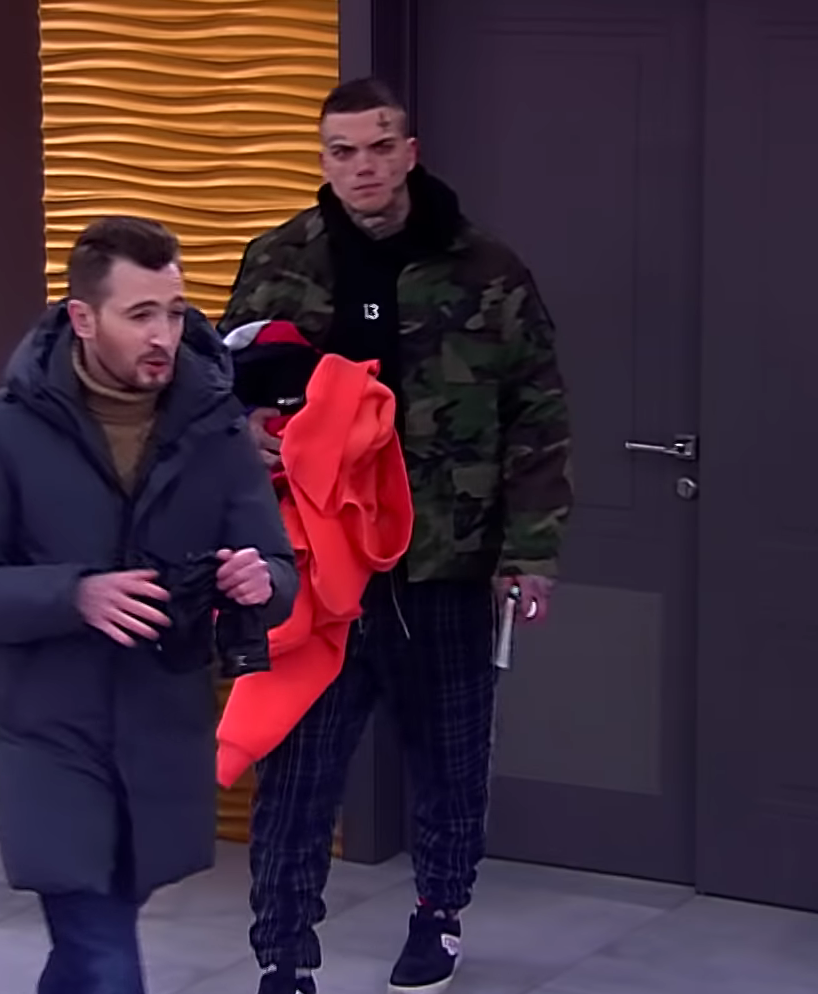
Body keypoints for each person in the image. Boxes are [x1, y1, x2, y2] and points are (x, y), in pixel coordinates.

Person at [220, 78, 574, 994]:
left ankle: (438, 916)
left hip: (447, 561)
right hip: (318, 569)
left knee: (451, 761)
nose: (362, 168)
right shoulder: (278, 260)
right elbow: (221, 392)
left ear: (409, 153)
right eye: (342, 152)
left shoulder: (485, 269)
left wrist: (529, 553)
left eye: (379, 148)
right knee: (299, 774)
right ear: (324, 159)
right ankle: (283, 956)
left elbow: (536, 415)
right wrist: (248, 431)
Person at [0, 215, 299, 994]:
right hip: (50, 735)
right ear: (83, 318)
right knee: (103, 956)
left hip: (162, 734)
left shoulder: (215, 430)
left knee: (92, 946)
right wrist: (73, 595)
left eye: (174, 312)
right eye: (140, 314)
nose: (163, 336)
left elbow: (278, 571)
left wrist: (259, 582)